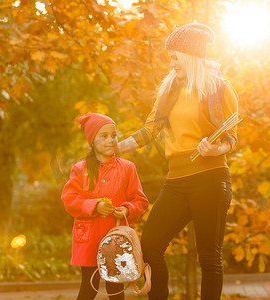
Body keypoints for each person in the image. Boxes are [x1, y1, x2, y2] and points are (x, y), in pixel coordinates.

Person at [116, 23, 239, 300]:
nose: (171, 64)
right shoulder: (169, 90)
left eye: (175, 57)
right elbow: (151, 130)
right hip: (176, 181)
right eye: (169, 57)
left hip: (210, 178)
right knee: (150, 245)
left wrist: (214, 148)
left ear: (190, 56)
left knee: (209, 257)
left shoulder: (219, 90)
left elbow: (231, 138)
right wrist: (118, 147)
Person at [61, 113, 149, 300]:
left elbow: (140, 200)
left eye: (114, 135)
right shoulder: (80, 169)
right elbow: (69, 199)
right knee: (89, 287)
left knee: (115, 288)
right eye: (104, 136)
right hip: (88, 235)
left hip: (116, 236)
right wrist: (94, 206)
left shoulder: (127, 168)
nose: (110, 140)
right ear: (92, 141)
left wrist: (127, 209)